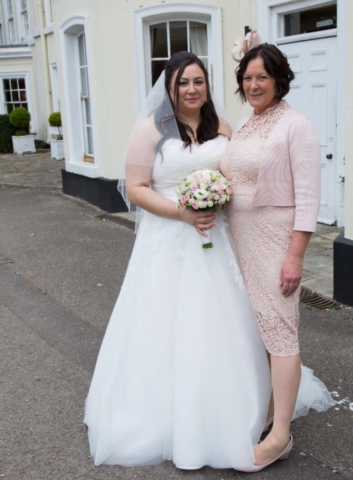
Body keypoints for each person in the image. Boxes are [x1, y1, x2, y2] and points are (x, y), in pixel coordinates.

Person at [84, 50, 333, 471]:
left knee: (232, 323)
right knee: (166, 325)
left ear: (208, 85)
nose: (191, 89)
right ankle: (173, 415)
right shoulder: (150, 129)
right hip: (168, 243)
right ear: (169, 87)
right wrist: (181, 211)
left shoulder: (225, 128)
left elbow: (244, 177)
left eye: (198, 81)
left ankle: (251, 411)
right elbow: (136, 187)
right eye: (183, 82)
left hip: (221, 242)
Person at [221, 34, 334, 472]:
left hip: (275, 239)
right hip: (241, 240)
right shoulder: (247, 123)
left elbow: (308, 197)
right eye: (247, 77)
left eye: (261, 77)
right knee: (260, 332)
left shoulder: (296, 125)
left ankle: (281, 437)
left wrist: (295, 257)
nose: (253, 85)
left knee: (281, 331)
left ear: (279, 80)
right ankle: (269, 413)